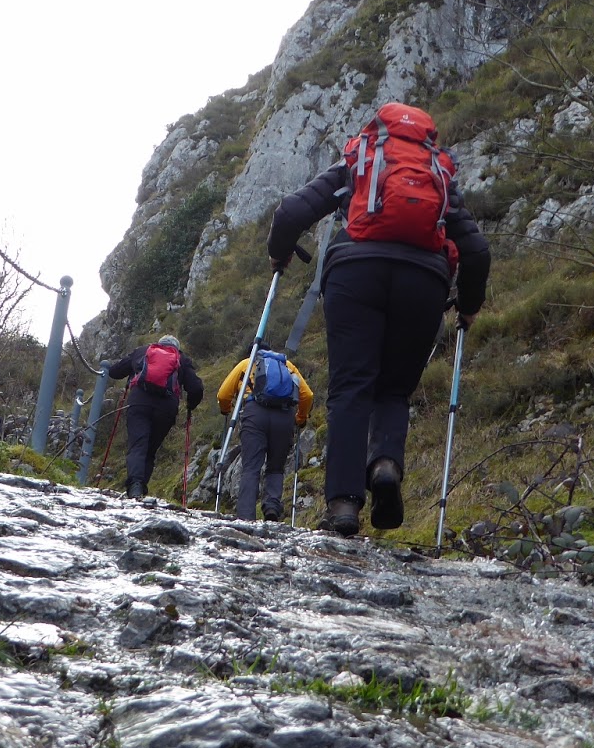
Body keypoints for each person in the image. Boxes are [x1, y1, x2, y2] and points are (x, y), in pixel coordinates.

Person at [267, 101, 490, 537]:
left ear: (377, 128)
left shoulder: (360, 158)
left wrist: (280, 252)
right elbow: (477, 250)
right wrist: (468, 304)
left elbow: (291, 212)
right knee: (393, 389)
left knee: (352, 387)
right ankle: (385, 463)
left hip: (355, 274)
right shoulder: (440, 174)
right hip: (424, 281)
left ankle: (344, 507)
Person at [216, 342, 314, 521]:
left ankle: (246, 515)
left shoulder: (246, 364)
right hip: (284, 417)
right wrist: (300, 418)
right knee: (276, 467)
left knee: (251, 467)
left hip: (255, 415)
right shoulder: (287, 366)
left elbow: (223, 394)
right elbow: (307, 395)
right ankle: (271, 507)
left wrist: (226, 409)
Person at [104, 334, 204, 498]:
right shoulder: (182, 359)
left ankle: (135, 486)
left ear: (158, 344)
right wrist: (190, 405)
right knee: (150, 450)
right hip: (166, 409)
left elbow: (115, 372)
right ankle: (141, 487)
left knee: (138, 445)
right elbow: (196, 389)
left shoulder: (142, 351)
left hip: (139, 403)